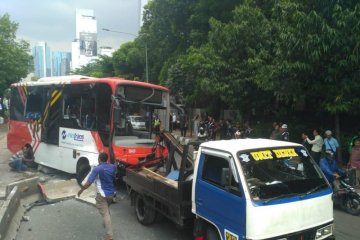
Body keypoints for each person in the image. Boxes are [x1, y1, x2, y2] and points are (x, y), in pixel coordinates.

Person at [78, 152, 116, 240]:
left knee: (105, 214)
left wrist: (81, 190)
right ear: (106, 159)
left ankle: (109, 235)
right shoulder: (112, 167)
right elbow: (114, 174)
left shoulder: (97, 169)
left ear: (99, 159)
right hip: (111, 194)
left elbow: (88, 183)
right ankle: (105, 223)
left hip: (101, 195)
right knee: (106, 211)